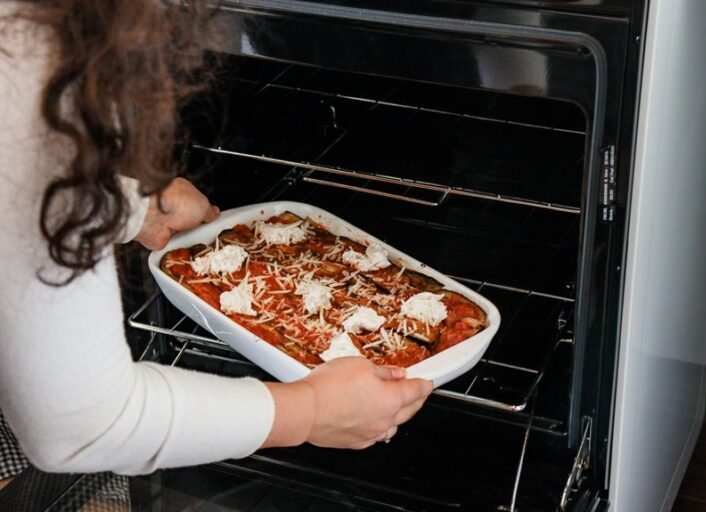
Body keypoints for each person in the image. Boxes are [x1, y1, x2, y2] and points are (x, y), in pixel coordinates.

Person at [0, 0, 433, 485]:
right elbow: (78, 425)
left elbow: (14, 184)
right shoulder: (27, 53)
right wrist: (310, 409)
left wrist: (131, 206)